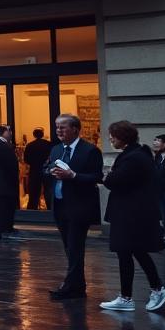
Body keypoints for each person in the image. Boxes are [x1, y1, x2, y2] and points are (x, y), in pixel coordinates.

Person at [99, 121, 165, 312]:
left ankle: (154, 290)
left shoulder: (133, 157)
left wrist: (109, 176)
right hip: (131, 213)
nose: (110, 138)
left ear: (122, 136)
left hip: (130, 214)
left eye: (112, 135)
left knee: (133, 252)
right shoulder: (137, 155)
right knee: (130, 253)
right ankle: (129, 296)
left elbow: (115, 180)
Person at [44, 113, 103, 301]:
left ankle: (69, 286)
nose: (59, 131)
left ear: (75, 129)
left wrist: (74, 176)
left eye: (63, 127)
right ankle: (77, 285)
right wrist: (49, 171)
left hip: (79, 205)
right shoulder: (55, 150)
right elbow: (44, 168)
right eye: (57, 127)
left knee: (75, 245)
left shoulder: (90, 150)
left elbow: (96, 176)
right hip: (60, 205)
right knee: (69, 246)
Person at [23, 128, 51, 210]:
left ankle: (32, 210)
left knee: (34, 192)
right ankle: (50, 209)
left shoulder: (30, 145)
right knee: (48, 191)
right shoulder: (48, 144)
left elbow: (26, 159)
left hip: (34, 170)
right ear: (42, 135)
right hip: (47, 170)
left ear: (34, 135)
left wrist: (33, 163)